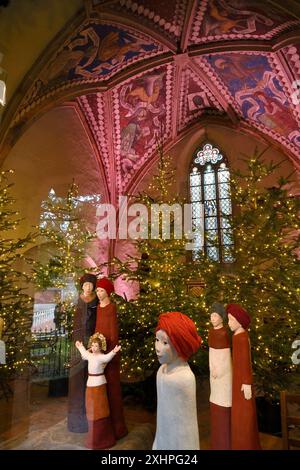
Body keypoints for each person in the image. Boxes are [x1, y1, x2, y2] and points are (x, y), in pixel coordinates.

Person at [153, 311, 202, 450]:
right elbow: (162, 418)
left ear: (180, 346)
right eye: (157, 340)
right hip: (163, 440)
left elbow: (187, 427)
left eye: (165, 342)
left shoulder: (185, 379)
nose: (158, 348)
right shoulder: (161, 371)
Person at [95, 277, 128, 440]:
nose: (98, 293)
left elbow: (113, 331)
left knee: (112, 388)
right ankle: (104, 426)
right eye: (97, 290)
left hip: (110, 352)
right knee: (102, 388)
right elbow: (96, 329)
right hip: (99, 352)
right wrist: (94, 345)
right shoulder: (98, 308)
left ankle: (117, 427)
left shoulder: (111, 307)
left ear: (108, 291)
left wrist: (113, 352)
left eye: (101, 290)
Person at [75, 332, 121, 449]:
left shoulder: (101, 357)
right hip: (90, 384)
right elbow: (85, 354)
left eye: (97, 346)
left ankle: (102, 437)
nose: (94, 348)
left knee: (100, 409)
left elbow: (107, 357)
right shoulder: (90, 356)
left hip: (99, 384)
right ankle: (93, 435)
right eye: (93, 345)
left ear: (100, 347)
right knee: (91, 409)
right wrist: (80, 346)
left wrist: (114, 351)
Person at [227, 303, 261, 450]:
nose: (228, 323)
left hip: (242, 383)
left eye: (231, 320)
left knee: (244, 415)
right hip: (238, 381)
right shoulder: (237, 336)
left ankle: (246, 444)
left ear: (239, 321)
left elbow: (245, 360)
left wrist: (247, 383)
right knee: (240, 415)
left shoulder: (241, 337)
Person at [67, 273, 98, 433]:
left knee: (89, 373)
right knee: (77, 375)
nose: (88, 287)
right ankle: (75, 418)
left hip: (91, 338)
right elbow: (75, 319)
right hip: (78, 339)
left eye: (90, 285)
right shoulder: (77, 299)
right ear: (82, 285)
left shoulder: (96, 300)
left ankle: (89, 415)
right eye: (85, 284)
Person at [208, 302, 232, 449]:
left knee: (223, 403)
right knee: (215, 400)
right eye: (211, 315)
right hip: (214, 374)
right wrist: (212, 368)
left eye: (215, 315)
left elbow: (225, 357)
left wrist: (220, 370)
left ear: (222, 318)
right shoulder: (211, 332)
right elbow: (211, 353)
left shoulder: (224, 333)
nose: (212, 318)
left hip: (223, 375)